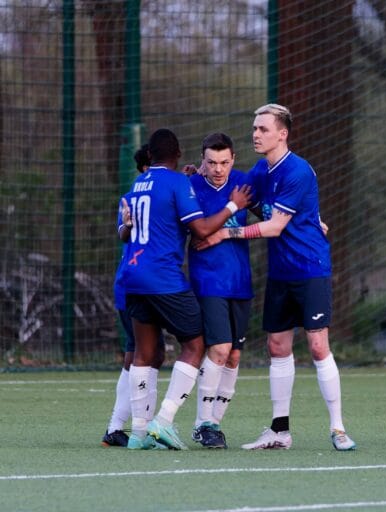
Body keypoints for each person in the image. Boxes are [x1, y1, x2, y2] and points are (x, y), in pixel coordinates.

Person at [195, 104, 356, 451]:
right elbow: (231, 191)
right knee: (277, 346)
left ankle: (338, 428)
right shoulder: (260, 170)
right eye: (254, 128)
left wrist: (226, 234)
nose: (256, 134)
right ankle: (280, 431)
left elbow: (275, 226)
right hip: (281, 272)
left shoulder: (297, 171)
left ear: (282, 134)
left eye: (263, 129)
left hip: (310, 267)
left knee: (317, 345)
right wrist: (195, 174)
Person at [121, 128, 251, 450]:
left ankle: (138, 434)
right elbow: (202, 230)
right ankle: (163, 420)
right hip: (164, 278)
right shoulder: (180, 183)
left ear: (149, 156)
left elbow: (125, 232)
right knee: (197, 343)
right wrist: (233, 206)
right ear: (179, 154)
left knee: (145, 353)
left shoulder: (138, 184)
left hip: (132, 276)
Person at [187, 133, 254, 449]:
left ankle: (214, 423)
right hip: (208, 280)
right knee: (220, 348)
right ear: (202, 160)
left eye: (224, 162)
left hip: (240, 281)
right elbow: (196, 229)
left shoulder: (244, 184)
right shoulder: (191, 186)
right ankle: (203, 423)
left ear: (234, 159)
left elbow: (272, 218)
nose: (218, 169)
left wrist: (312, 221)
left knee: (235, 355)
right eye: (211, 162)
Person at [102, 144, 167, 447]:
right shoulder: (134, 197)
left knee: (140, 353)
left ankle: (118, 428)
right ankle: (136, 427)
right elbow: (122, 232)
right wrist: (127, 225)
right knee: (145, 353)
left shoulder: (157, 195)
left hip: (141, 284)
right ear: (146, 169)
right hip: (134, 286)